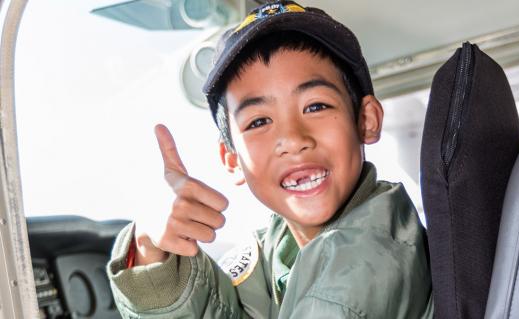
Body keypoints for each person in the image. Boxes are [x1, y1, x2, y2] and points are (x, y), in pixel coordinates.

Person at [107, 1, 433, 318]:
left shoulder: (361, 267)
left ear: (366, 120)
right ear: (231, 159)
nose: (292, 139)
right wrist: (150, 249)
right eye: (259, 122)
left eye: (316, 106)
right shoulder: (278, 249)